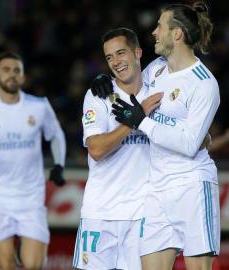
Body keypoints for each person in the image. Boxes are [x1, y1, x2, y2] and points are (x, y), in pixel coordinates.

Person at [91, 2, 220, 270]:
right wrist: (102, 79)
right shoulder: (157, 68)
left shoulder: (203, 83)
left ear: (177, 34)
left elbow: (188, 144)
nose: (154, 32)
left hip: (192, 185)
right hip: (156, 190)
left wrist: (142, 122)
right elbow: (130, 84)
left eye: (160, 26)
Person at [0, 51, 66, 270]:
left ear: (23, 77)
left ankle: (24, 252)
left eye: (17, 70)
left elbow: (56, 135)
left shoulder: (39, 106)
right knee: (5, 264)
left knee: (33, 265)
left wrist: (59, 164)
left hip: (31, 199)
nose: (12, 74)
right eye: (6, 70)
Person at [72, 28, 163, 269]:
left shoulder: (157, 94)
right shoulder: (98, 95)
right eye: (109, 57)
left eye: (121, 53)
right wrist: (134, 120)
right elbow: (96, 149)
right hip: (100, 212)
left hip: (142, 215)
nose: (115, 62)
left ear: (138, 52)